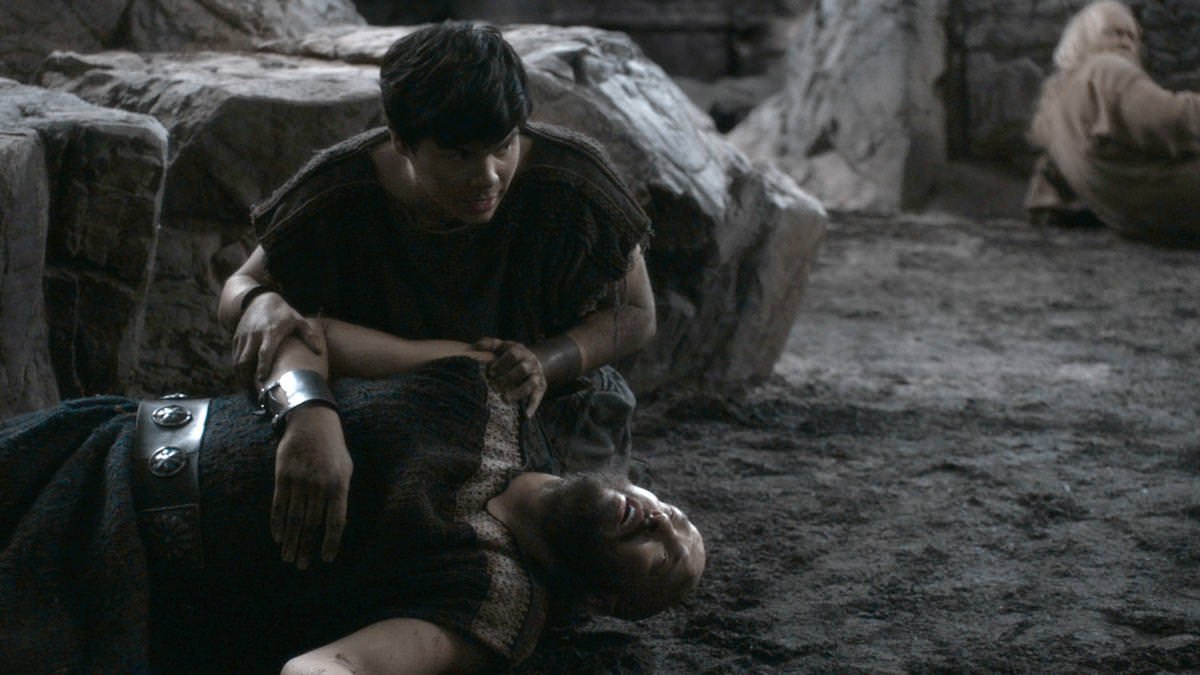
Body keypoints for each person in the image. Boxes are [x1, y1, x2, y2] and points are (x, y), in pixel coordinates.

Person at [0, 321, 704, 674]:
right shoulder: (495, 391)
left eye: (666, 554)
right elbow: (312, 336)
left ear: (608, 600)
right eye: (675, 515)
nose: (662, 522)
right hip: (94, 440)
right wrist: (310, 417)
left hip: (100, 582)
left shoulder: (496, 607)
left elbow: (343, 666)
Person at [216, 21, 657, 567]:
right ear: (401, 141)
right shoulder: (342, 190)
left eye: (503, 147)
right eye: (459, 156)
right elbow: (241, 285)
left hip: (548, 400)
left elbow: (636, 314)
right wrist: (258, 303)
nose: (488, 176)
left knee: (587, 545)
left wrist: (545, 361)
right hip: (400, 401)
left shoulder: (571, 180)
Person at [1024, 0, 1200, 243]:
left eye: (1132, 37)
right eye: (1115, 33)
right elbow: (1174, 119)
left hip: (1138, 220)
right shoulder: (1105, 68)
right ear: (1085, 38)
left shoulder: (1056, 103)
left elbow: (1043, 199)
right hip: (1176, 195)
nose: (1126, 42)